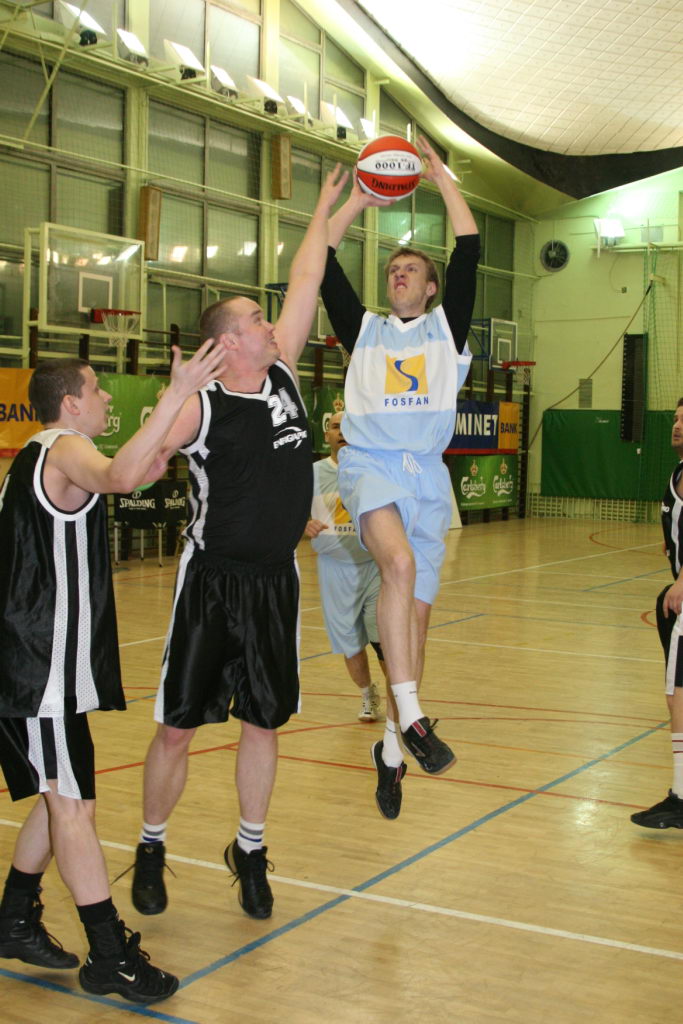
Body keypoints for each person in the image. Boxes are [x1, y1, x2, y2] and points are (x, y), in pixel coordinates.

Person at [130, 167, 349, 923]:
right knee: (177, 727)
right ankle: (151, 845)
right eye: (257, 318)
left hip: (274, 578)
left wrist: (332, 205)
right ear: (229, 340)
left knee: (264, 720)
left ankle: (249, 850)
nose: (271, 323)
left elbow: (308, 274)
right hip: (211, 580)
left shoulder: (282, 372)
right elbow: (134, 467)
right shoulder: (200, 405)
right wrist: (168, 399)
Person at [0, 340, 226, 1004]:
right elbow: (123, 478)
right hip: (35, 669)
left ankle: (13, 918)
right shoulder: (63, 447)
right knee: (73, 806)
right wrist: (177, 393)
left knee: (60, 794)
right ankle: (110, 957)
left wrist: (169, 427)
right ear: (71, 404)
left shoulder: (42, 455)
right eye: (97, 389)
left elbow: (136, 470)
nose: (105, 398)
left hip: (46, 669)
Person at [320, 136, 479, 818]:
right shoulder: (364, 332)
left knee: (411, 632)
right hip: (370, 465)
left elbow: (469, 249)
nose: (399, 275)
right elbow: (323, 262)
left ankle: (390, 748)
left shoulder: (447, 331)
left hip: (426, 480)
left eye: (411, 269)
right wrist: (356, 201)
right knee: (399, 565)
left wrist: (442, 180)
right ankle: (413, 716)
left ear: (431, 286)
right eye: (392, 270)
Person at [304, 411, 386, 727]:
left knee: (382, 639)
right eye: (336, 427)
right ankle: (368, 695)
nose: (342, 432)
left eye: (348, 426)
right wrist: (303, 523)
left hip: (373, 566)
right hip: (334, 570)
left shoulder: (373, 470)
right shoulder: (311, 473)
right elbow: (287, 508)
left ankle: (399, 702)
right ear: (326, 435)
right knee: (350, 644)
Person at [631, 398, 683, 830]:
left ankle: (681, 798)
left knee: (678, 698)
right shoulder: (677, 472)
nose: (678, 425)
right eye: (677, 418)